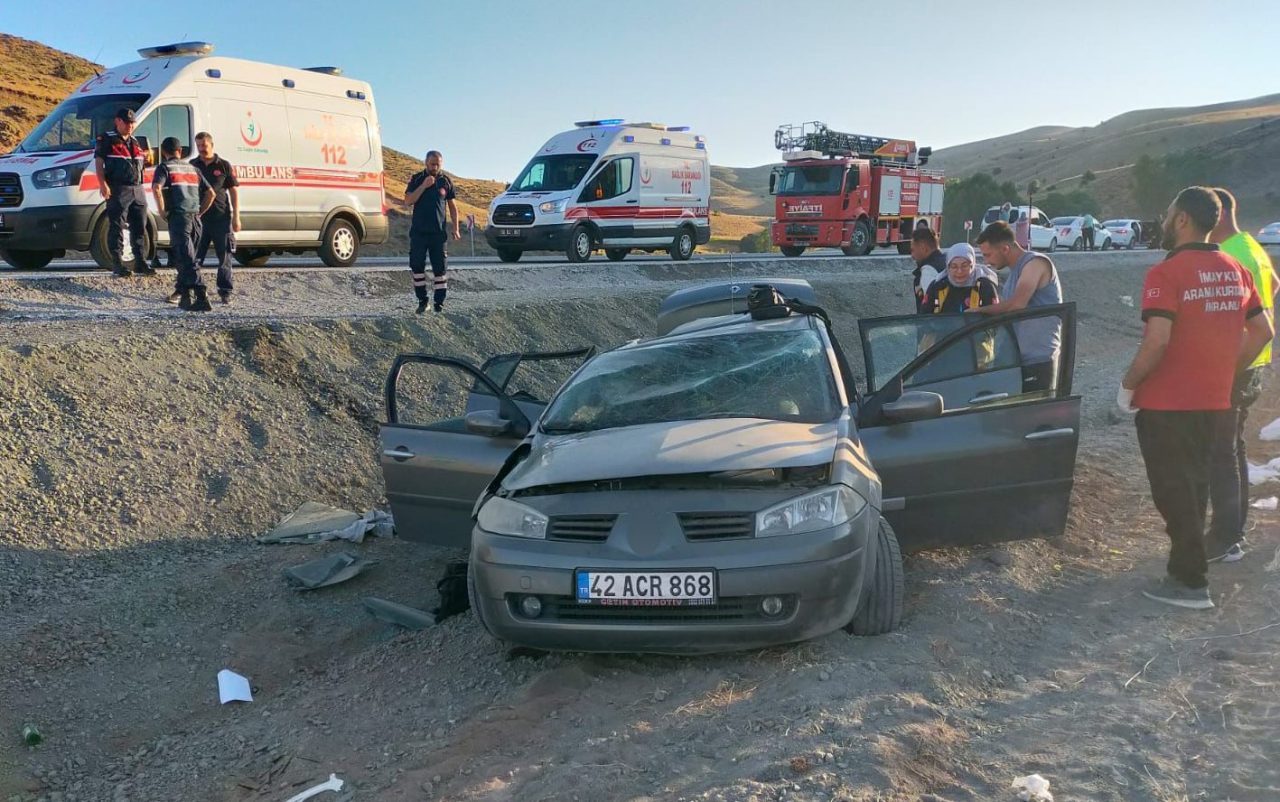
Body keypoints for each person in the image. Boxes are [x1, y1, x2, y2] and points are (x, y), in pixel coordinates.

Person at [1118, 186, 1273, 610]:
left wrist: (1128, 386)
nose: (1165, 220)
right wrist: (1226, 370)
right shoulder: (1235, 268)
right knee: (1197, 485)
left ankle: (1189, 582)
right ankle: (1187, 570)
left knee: (1173, 491)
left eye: (1169, 213)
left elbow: (1157, 341)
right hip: (1213, 399)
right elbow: (1263, 332)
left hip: (1167, 405)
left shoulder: (1166, 273)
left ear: (1183, 219)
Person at [1205, 187, 1278, 562]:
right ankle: (1232, 528)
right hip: (1254, 361)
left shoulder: (1232, 255)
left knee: (1221, 453)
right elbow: (1275, 286)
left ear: (1217, 215)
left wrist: (1228, 366)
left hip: (1238, 364)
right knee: (1233, 449)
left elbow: (1257, 321)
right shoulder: (1252, 246)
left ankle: (1226, 538)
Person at [973, 221, 1064, 393]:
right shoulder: (1014, 275)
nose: (986, 261)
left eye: (988, 255)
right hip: (1016, 361)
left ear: (1005, 249)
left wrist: (978, 311)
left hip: (1038, 361)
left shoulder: (1035, 264)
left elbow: (1016, 305)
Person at [152, 137, 216, 312]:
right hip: (196, 219)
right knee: (184, 259)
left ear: (164, 152)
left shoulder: (165, 167)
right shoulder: (193, 169)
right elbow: (211, 193)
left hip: (179, 219)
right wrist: (200, 211)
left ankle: (202, 295)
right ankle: (184, 296)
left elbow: (157, 188)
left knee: (187, 261)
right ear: (180, 151)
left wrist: (162, 210)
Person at [94, 108, 155, 277]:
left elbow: (143, 164)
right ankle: (117, 262)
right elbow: (99, 162)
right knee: (117, 226)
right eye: (126, 122)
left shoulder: (136, 141)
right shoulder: (107, 139)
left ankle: (140, 261)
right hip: (118, 188)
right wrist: (102, 184)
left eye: (132, 123)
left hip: (138, 188)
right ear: (117, 121)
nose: (130, 126)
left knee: (140, 225)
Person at [404, 150, 460, 314]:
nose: (435, 167)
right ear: (426, 163)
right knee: (416, 266)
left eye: (438, 164)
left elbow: (453, 207)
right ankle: (423, 301)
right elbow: (408, 201)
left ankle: (439, 303)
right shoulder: (417, 179)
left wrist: (455, 228)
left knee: (440, 269)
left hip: (438, 234)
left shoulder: (445, 181)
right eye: (432, 164)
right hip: (419, 233)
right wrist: (423, 186)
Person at [190, 132, 241, 305]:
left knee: (224, 257)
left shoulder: (223, 165)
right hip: (199, 218)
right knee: (195, 257)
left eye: (204, 145)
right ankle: (192, 288)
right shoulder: (193, 165)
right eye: (198, 146)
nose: (201, 149)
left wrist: (236, 217)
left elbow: (233, 191)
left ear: (211, 145)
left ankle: (225, 291)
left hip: (221, 218)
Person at [920, 243, 998, 314]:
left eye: (964, 266)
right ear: (948, 267)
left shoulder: (984, 285)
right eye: (954, 266)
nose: (959, 271)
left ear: (972, 265)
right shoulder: (938, 285)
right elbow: (924, 316)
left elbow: (994, 316)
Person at [909, 227, 947, 312]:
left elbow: (930, 306)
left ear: (923, 247)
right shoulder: (949, 262)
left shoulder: (928, 270)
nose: (912, 256)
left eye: (913, 250)